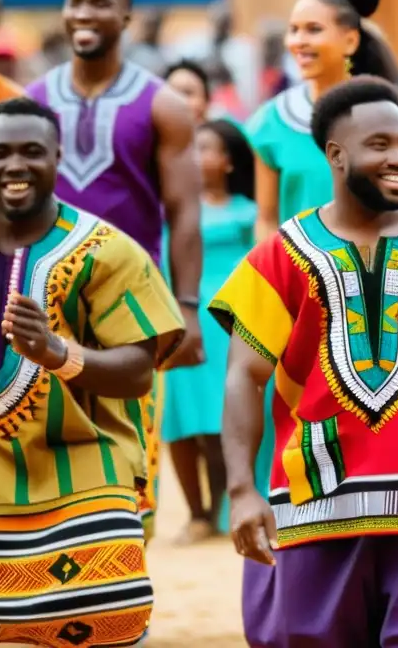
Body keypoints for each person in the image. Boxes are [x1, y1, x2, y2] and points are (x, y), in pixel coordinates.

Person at [212, 76, 398, 646]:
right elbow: (243, 377)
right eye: (380, 145)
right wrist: (241, 490)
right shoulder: (280, 254)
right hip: (309, 511)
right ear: (335, 154)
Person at [0, 98, 184, 647]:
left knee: (105, 622)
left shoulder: (106, 251)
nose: (14, 166)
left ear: (57, 156)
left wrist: (57, 352)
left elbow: (138, 372)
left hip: (86, 475)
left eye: (31, 152)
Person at [26, 0, 203, 539]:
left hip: (133, 303)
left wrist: (188, 306)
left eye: (100, 4)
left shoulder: (163, 105)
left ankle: (126, 580)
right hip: (41, 296)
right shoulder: (34, 101)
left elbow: (185, 212)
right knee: (41, 436)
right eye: (75, 2)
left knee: (132, 441)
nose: (84, 14)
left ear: (125, 17)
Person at [249, 0, 398, 242]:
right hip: (297, 279)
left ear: (350, 41)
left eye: (313, 29)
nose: (299, 41)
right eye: (293, 29)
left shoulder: (385, 117)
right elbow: (266, 220)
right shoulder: (271, 121)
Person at [162, 120, 256, 544]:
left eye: (207, 149)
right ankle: (196, 511)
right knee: (181, 418)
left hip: (228, 322)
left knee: (220, 416)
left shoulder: (248, 213)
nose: (198, 158)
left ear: (229, 161)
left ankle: (220, 510)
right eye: (192, 149)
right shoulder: (175, 210)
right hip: (180, 317)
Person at [165, 58, 211, 126]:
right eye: (172, 95)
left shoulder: (225, 133)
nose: (179, 101)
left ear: (206, 99)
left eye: (186, 93)